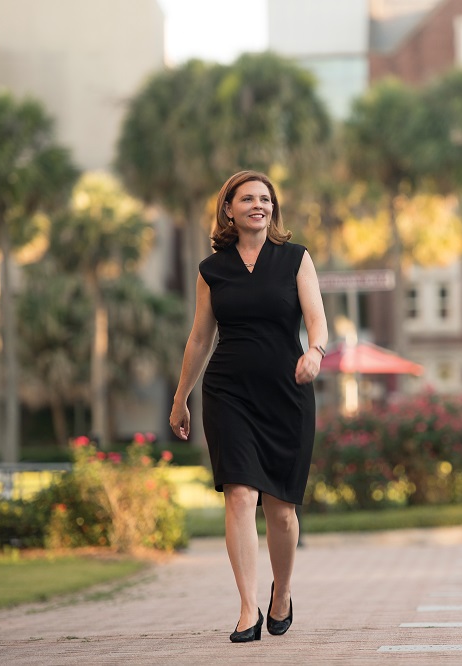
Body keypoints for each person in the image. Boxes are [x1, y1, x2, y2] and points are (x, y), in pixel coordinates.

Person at [169, 170, 328, 643]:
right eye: (247, 199)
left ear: (273, 209)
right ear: (229, 209)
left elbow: (317, 321)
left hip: (287, 391)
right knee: (240, 496)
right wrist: (180, 399)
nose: (258, 205)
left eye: (265, 199)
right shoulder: (211, 270)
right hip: (228, 391)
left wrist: (314, 355)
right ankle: (246, 608)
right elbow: (200, 338)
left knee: (281, 510)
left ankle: (282, 595)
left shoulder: (296, 259)